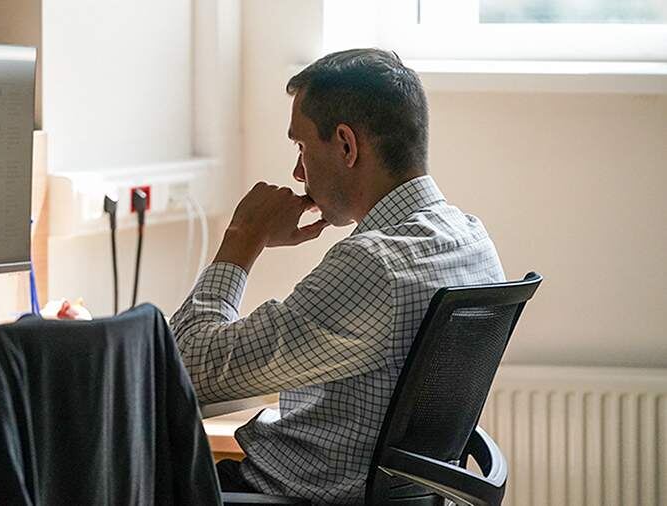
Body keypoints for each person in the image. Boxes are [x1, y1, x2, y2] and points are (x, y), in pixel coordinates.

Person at [170, 48, 505, 505]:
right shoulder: (472, 241)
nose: (297, 172)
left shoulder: (377, 264)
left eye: (302, 147)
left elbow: (188, 368)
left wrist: (242, 239)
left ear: (347, 145)